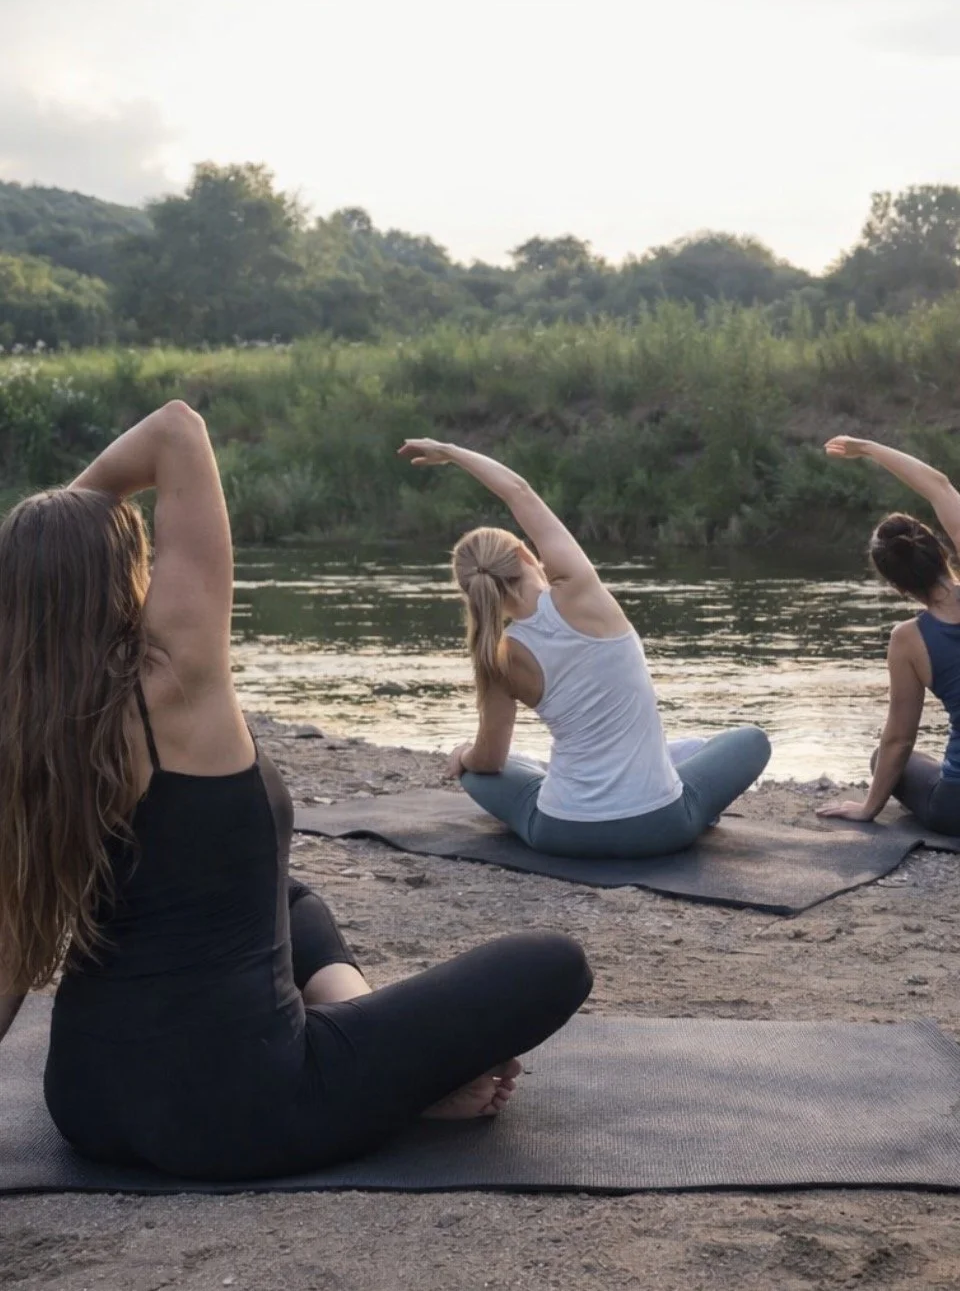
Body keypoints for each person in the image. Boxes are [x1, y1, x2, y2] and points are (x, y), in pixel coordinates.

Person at [0, 401, 592, 1181]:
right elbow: (177, 427)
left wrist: (41, 560)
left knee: (290, 898)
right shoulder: (174, 675)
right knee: (554, 963)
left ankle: (361, 1027)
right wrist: (69, 529)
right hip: (241, 1108)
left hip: (84, 1101)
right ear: (121, 575)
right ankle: (402, 1079)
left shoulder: (25, 733)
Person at [398, 438, 771, 858]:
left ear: (471, 594)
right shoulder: (579, 591)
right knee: (751, 740)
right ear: (525, 552)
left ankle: (556, 775)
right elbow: (519, 492)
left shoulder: (495, 655)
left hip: (560, 831)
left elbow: (489, 761)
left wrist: (462, 752)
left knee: (473, 772)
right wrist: (451, 452)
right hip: (664, 825)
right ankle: (682, 800)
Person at [817, 436, 960, 835]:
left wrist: (868, 808)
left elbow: (899, 739)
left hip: (956, 808)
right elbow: (939, 486)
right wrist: (868, 448)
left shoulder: (908, 640)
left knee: (883, 755)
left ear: (898, 587)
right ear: (940, 550)